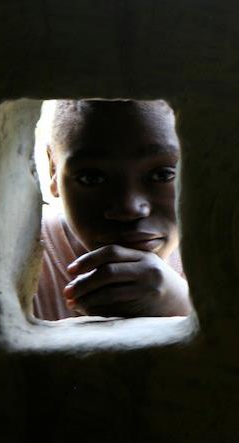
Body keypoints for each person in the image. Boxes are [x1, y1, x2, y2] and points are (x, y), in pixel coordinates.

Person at [33, 99, 192, 321]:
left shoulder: (219, 253)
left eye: (163, 175)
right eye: (92, 178)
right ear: (53, 170)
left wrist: (183, 305)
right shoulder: (22, 261)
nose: (129, 209)